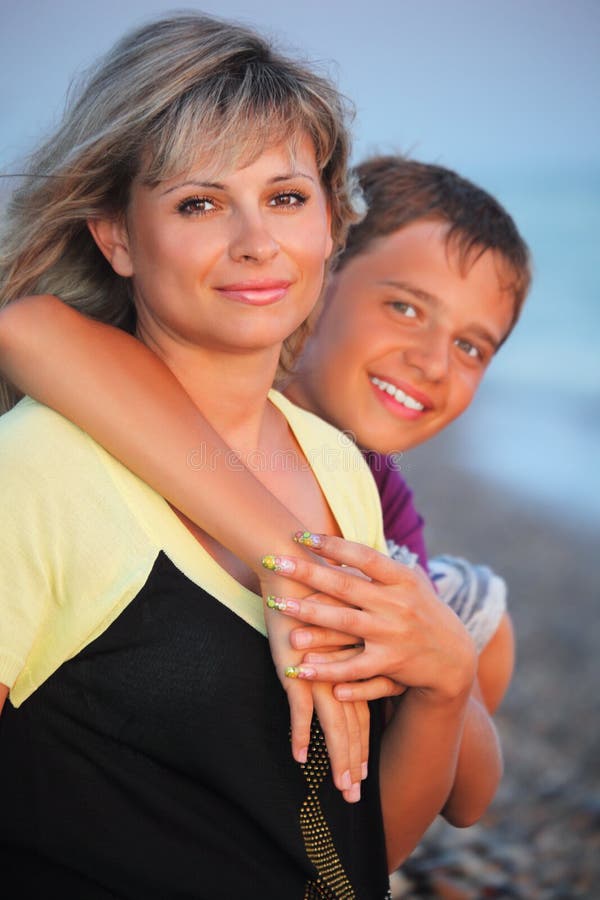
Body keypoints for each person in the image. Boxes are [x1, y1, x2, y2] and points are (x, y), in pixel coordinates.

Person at [0, 12, 486, 898]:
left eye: (286, 197)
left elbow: (354, 855)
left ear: (333, 224)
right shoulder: (35, 470)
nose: (256, 241)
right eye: (199, 202)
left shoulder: (340, 469)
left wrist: (447, 684)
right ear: (115, 236)